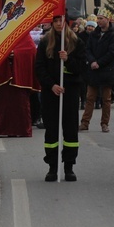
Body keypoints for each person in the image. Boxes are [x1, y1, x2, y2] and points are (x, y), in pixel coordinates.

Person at [35, 14, 87, 182]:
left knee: (70, 129)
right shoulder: (44, 42)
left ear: (66, 22)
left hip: (70, 92)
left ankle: (69, 166)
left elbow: (81, 68)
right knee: (51, 130)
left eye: (61, 20)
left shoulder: (76, 42)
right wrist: (51, 85)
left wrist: (68, 59)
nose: (58, 24)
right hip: (51, 92)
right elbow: (39, 67)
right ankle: (52, 167)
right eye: (56, 21)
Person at [0, 33, 37, 138]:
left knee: (19, 104)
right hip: (0, 75)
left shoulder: (23, 31)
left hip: (18, 77)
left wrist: (16, 53)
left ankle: (20, 129)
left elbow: (31, 49)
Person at [80, 8, 114, 133]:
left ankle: (104, 123)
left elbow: (112, 52)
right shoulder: (94, 34)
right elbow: (88, 49)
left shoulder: (113, 35)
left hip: (106, 70)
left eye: (102, 18)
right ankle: (85, 123)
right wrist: (92, 61)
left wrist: (99, 63)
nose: (99, 21)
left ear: (108, 19)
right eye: (98, 18)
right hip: (93, 70)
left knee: (106, 99)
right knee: (90, 97)